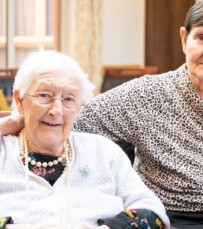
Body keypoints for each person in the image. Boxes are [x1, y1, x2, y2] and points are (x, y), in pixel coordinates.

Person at [0, 0, 203, 228]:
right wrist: (18, 119)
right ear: (184, 38)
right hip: (183, 219)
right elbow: (67, 115)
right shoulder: (145, 95)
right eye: (202, 38)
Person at [0, 51, 170, 229]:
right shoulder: (4, 150)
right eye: (44, 95)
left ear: (79, 108)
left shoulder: (102, 151)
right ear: (20, 100)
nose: (56, 110)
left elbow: (151, 211)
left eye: (69, 99)